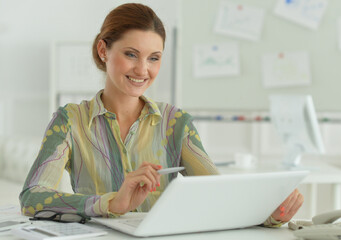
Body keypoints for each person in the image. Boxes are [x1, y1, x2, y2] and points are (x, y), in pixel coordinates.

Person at [19, 3, 303, 226]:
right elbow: (32, 196)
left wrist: (272, 215)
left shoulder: (176, 124)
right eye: (131, 54)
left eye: (154, 58)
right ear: (103, 50)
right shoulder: (70, 120)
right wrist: (110, 203)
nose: (143, 70)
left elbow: (219, 195)